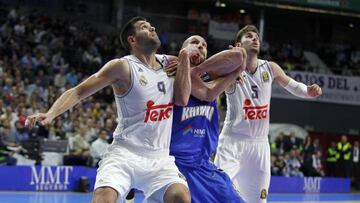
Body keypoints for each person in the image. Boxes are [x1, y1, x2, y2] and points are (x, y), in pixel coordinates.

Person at [26, 16, 192, 203]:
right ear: (133, 40)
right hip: (125, 154)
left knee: (181, 197)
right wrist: (50, 113)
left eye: (151, 25)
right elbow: (79, 91)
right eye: (145, 27)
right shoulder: (122, 66)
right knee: (103, 200)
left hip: (159, 158)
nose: (152, 27)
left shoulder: (171, 63)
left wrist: (186, 60)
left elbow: (184, 97)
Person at [214, 25, 322, 203]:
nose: (255, 39)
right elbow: (209, 75)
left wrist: (308, 91)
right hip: (232, 142)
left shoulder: (270, 67)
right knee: (217, 194)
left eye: (256, 37)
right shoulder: (230, 69)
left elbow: (293, 85)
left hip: (259, 145)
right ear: (238, 44)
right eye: (249, 36)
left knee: (258, 200)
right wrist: (229, 62)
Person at [169, 35, 246, 203]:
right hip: (175, 164)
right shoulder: (171, 73)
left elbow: (238, 57)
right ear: (184, 48)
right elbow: (201, 94)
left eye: (203, 44)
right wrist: (235, 72)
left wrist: (235, 70)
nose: (200, 46)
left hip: (203, 165)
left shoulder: (211, 77)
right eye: (194, 43)